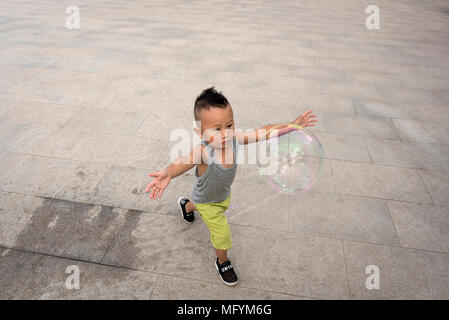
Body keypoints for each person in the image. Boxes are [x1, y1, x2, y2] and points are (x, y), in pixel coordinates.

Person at [146, 87, 316, 286]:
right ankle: (223, 261)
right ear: (200, 132)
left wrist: (291, 126)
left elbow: (264, 131)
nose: (225, 133)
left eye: (229, 124)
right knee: (221, 232)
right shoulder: (203, 151)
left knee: (198, 202)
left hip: (221, 194)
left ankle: (187, 206)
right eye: (217, 129)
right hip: (209, 202)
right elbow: (183, 161)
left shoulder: (234, 139)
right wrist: (167, 172)